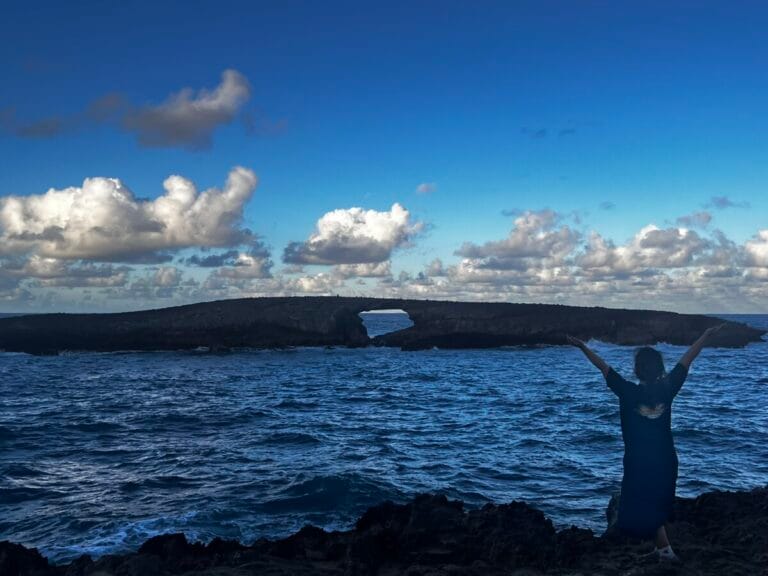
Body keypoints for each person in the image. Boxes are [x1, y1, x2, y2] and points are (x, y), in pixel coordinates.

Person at [566, 324, 724, 563]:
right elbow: (687, 360)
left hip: (638, 461)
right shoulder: (668, 388)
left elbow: (603, 367)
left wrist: (582, 346)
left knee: (638, 507)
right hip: (665, 459)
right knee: (656, 504)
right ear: (660, 369)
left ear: (637, 370)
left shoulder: (626, 391)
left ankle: (665, 551)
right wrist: (705, 335)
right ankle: (664, 549)